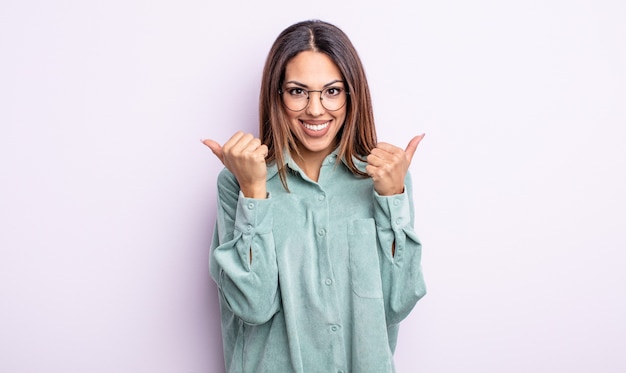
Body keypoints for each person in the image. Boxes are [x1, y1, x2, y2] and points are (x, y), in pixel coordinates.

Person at [203, 19, 426, 373]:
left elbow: (398, 303)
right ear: (277, 95)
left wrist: (392, 199)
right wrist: (254, 195)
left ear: (352, 94)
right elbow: (253, 306)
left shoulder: (385, 179)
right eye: (298, 91)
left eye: (332, 91)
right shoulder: (238, 183)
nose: (316, 109)